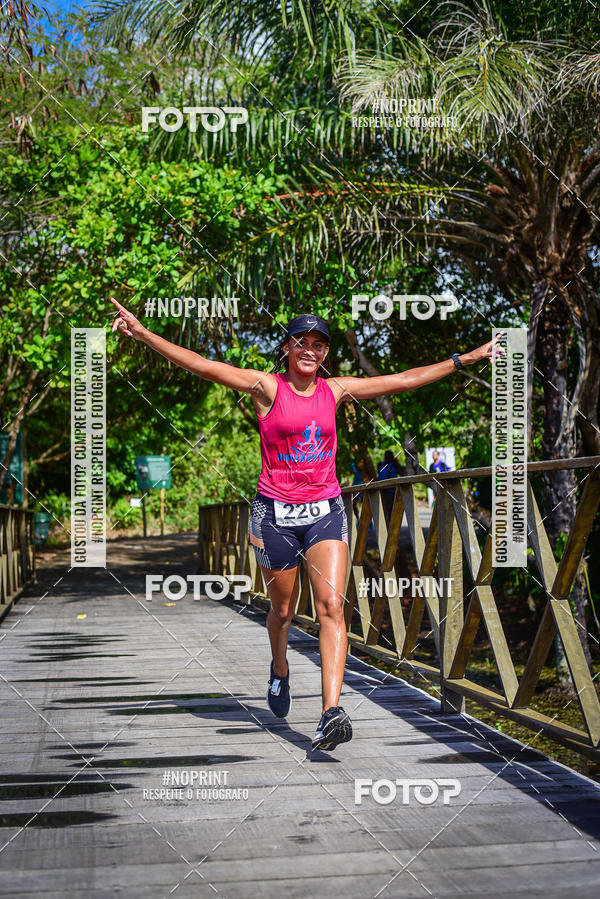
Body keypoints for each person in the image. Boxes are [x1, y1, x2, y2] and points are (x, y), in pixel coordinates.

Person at [110, 298, 504, 752]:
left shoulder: (333, 390)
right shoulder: (265, 388)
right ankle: (279, 670)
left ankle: (330, 713)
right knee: (281, 611)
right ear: (287, 347)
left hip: (325, 510)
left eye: (319, 344)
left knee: (332, 608)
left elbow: (400, 380)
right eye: (302, 341)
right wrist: (143, 334)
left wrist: (467, 358)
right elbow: (202, 365)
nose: (310, 349)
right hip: (273, 513)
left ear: (325, 353)